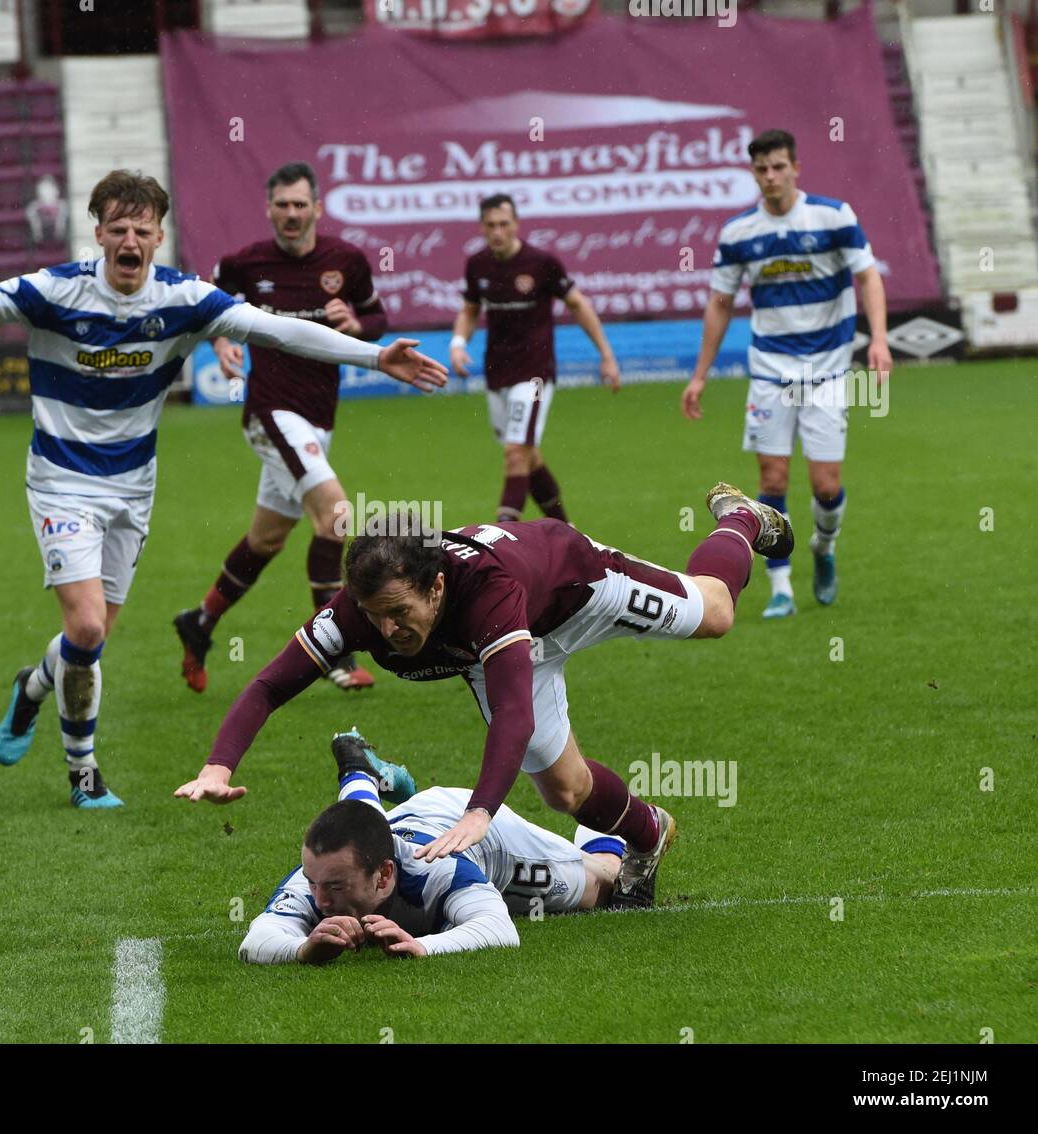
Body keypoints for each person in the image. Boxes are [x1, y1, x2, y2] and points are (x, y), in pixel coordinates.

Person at [0, 169, 446, 810]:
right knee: (88, 625)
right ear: (97, 233)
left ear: (159, 238)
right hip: (62, 481)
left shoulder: (182, 300)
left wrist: (371, 354)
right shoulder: (55, 292)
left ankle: (31, 687)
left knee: (88, 643)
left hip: (134, 490)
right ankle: (84, 774)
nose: (131, 241)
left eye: (143, 230)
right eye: (118, 228)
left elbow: (275, 329)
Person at [177, 484, 791, 905]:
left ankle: (740, 519)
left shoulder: (486, 592)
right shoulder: (359, 613)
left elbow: (514, 716)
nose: (386, 631)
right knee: (565, 791)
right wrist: (217, 765)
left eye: (398, 613)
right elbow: (268, 684)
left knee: (714, 612)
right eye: (373, 615)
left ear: (438, 587)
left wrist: (480, 810)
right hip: (496, 650)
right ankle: (648, 832)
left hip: (581, 591)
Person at [174, 161, 391, 694]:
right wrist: (220, 340)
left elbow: (377, 318)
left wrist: (357, 326)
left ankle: (199, 622)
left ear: (317, 208)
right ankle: (334, 651)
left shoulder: (346, 261)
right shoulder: (248, 264)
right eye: (283, 205)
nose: (292, 214)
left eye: (301, 205)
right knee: (337, 517)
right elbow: (204, 306)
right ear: (269, 209)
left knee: (267, 539)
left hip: (319, 413)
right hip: (270, 411)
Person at [680, 128, 892, 617]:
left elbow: (867, 276)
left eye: (778, 166)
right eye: (761, 169)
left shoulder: (833, 216)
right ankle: (781, 588)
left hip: (829, 373)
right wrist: (700, 375)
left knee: (825, 485)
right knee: (772, 477)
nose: (770, 176)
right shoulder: (739, 234)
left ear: (796, 167)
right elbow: (719, 303)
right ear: (753, 174)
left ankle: (823, 547)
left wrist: (878, 338)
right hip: (770, 374)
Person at [239, 729, 633, 964]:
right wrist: (303, 950)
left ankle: (614, 820)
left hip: (477, 835)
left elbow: (499, 929)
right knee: (361, 829)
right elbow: (257, 938)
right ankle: (361, 772)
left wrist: (424, 945)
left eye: (336, 888)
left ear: (385, 876)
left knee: (603, 886)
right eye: (313, 883)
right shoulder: (323, 874)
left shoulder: (438, 869)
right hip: (394, 827)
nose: (319, 899)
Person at [450, 193, 621, 525]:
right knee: (528, 456)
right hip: (496, 373)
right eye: (491, 225)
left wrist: (606, 355)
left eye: (504, 224)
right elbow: (470, 309)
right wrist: (458, 343)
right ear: (482, 227)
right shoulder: (478, 264)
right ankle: (566, 531)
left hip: (535, 375)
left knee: (515, 454)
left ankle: (501, 537)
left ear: (516, 224)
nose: (498, 231)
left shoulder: (541, 263)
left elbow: (577, 304)